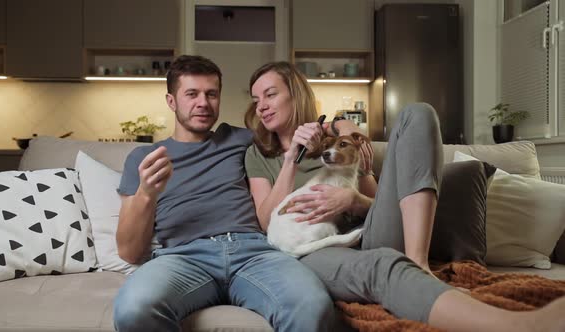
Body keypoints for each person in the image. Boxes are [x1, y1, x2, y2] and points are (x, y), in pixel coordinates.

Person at [244, 61, 565, 332]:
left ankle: (418, 261)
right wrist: (291, 158)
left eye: (271, 94)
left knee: (419, 113)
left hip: (369, 231)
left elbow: (381, 202)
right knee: (382, 265)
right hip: (312, 249)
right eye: (256, 99)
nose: (262, 105)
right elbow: (264, 220)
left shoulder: (338, 139)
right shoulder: (259, 154)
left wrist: (352, 199)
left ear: (296, 94)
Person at [112, 55, 337, 332]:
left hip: (255, 254)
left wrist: (342, 126)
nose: (203, 103)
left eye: (212, 94)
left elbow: (305, 127)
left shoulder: (241, 139)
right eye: (192, 94)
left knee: (312, 305)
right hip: (184, 258)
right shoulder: (144, 158)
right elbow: (129, 252)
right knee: (133, 309)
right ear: (171, 101)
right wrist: (147, 193)